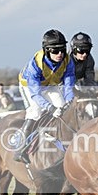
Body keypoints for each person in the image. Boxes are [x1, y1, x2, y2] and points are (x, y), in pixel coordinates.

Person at [15, 29, 76, 163]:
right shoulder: (35, 64)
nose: (60, 54)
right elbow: (35, 94)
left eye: (62, 49)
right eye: (55, 51)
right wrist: (50, 108)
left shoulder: (67, 61)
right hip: (29, 87)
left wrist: (69, 101)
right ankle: (21, 148)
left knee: (63, 108)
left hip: (50, 85)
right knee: (35, 111)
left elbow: (68, 85)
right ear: (47, 50)